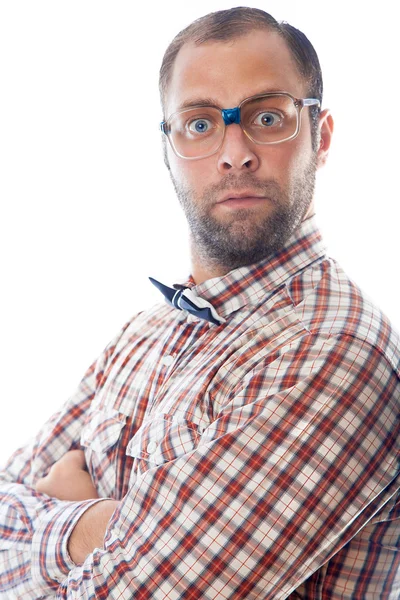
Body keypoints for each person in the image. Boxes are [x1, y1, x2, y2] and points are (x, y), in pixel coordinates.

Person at [0, 6, 398, 599]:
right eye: (200, 123)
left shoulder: (336, 350)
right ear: (168, 149)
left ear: (323, 138)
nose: (234, 152)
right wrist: (92, 530)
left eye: (268, 117)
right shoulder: (143, 335)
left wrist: (60, 528)